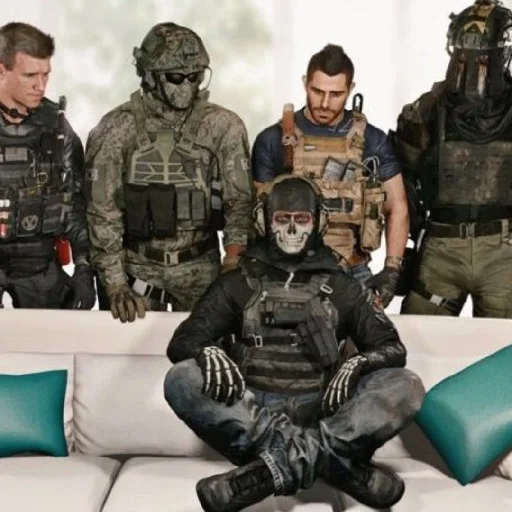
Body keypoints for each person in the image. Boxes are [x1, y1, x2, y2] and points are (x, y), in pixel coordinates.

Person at [164, 175, 425, 512]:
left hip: (322, 412)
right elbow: (183, 339)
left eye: (301, 219)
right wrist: (206, 350)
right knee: (182, 378)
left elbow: (393, 349)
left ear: (318, 222)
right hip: (254, 416)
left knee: (406, 385)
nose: (291, 229)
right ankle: (332, 463)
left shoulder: (344, 287)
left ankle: (269, 471)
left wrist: (359, 362)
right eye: (282, 219)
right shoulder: (236, 283)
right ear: (265, 222)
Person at [85, 22, 254, 322]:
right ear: (149, 75)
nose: (187, 85)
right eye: (176, 77)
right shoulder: (115, 129)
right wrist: (115, 284)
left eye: (195, 76)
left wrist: (232, 265)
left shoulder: (224, 126)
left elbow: (239, 204)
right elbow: (102, 213)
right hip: (137, 270)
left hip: (203, 268)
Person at [251, 44, 409, 308]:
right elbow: (256, 216)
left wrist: (391, 270)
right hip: (289, 270)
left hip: (352, 268)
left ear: (351, 88)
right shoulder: (273, 140)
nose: (325, 103)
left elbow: (398, 206)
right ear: (305, 83)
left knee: (372, 331)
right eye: (317, 91)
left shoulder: (372, 140)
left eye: (336, 94)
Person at [395, 0, 512, 317]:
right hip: (442, 246)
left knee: (504, 343)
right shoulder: (429, 109)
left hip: (501, 252)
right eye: (466, 57)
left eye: (483, 58)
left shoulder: (428, 108)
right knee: (416, 337)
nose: (474, 66)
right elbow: (400, 179)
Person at [0, 22, 94, 309]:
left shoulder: (56, 127)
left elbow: (75, 203)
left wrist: (84, 266)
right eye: (30, 75)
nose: (40, 86)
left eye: (46, 74)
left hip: (39, 264)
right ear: (2, 71)